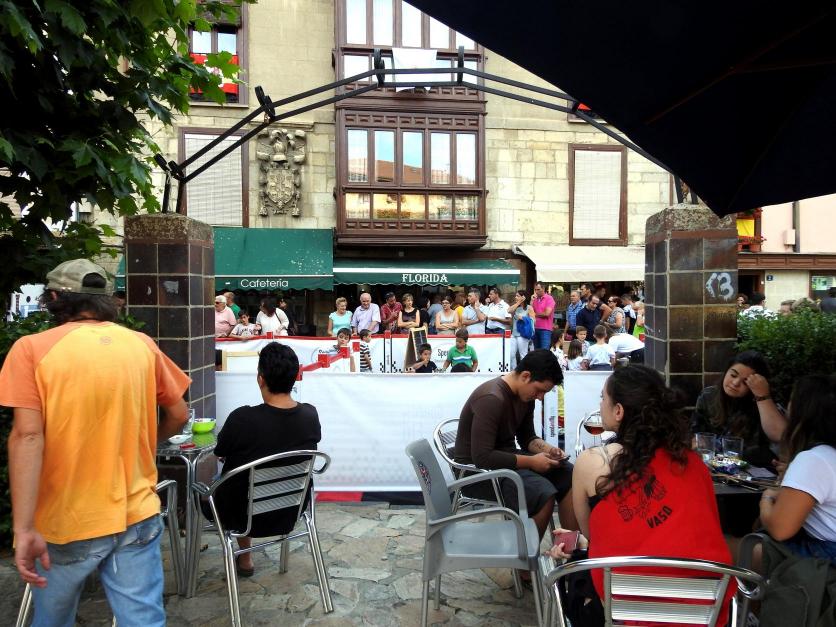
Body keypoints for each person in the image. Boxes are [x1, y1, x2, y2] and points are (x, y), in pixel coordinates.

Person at [0, 258, 190, 624]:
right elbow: (179, 414)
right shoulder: (141, 344)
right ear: (107, 299)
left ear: (54, 298)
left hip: (66, 517)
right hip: (137, 512)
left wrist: (23, 529)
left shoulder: (31, 349)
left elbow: (27, 436)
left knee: (53, 620)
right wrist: (144, 445)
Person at [548, 366, 732, 619]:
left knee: (572, 573)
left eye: (603, 398)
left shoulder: (593, 463)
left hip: (619, 612)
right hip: (701, 613)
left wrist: (581, 543)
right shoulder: (693, 463)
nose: (600, 404)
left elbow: (593, 534)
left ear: (619, 411)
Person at [211, 342, 321, 577]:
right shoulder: (310, 415)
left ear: (260, 379)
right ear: (295, 377)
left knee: (228, 481)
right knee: (247, 478)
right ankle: (245, 559)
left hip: (240, 514)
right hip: (290, 510)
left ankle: (245, 559)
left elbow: (220, 451)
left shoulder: (242, 418)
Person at [454, 349, 576, 543]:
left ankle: (571, 550)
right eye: (540, 390)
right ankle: (526, 559)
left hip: (504, 463)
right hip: (476, 474)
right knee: (543, 494)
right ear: (526, 376)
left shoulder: (525, 397)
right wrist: (532, 462)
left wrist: (549, 450)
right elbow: (482, 457)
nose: (540, 397)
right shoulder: (491, 398)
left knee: (569, 474)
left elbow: (527, 438)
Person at [760, 374, 836, 561]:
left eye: (791, 400)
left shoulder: (815, 459)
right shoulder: (826, 455)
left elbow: (779, 529)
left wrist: (766, 498)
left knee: (729, 547)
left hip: (826, 559)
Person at [691, 350, 787, 467]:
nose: (735, 383)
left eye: (746, 382)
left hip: (751, 469)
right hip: (711, 466)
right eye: (733, 375)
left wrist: (762, 396)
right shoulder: (708, 395)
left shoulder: (761, 403)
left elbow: (780, 435)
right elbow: (696, 434)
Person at [508, 289, 535, 369]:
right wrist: (518, 302)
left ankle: (524, 371)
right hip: (514, 334)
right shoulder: (516, 307)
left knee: (523, 354)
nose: (515, 297)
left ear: (523, 297)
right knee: (511, 354)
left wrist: (523, 318)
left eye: (517, 296)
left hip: (522, 334)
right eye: (515, 296)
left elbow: (533, 320)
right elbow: (509, 310)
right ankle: (514, 371)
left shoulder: (529, 308)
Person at [531, 281, 555, 349]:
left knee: (544, 351)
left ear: (543, 289)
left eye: (538, 289)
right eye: (535, 290)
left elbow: (547, 313)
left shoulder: (549, 298)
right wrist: (531, 301)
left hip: (545, 329)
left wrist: (534, 314)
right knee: (536, 351)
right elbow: (530, 313)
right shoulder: (535, 299)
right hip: (535, 328)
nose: (536, 291)